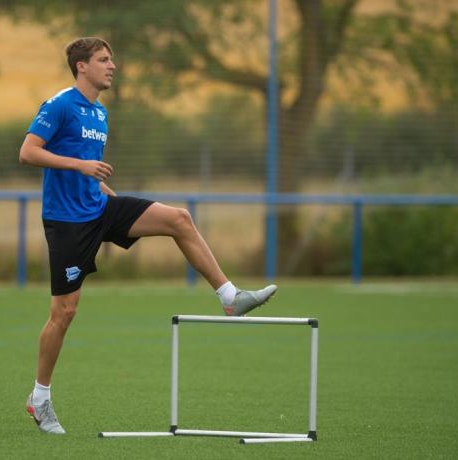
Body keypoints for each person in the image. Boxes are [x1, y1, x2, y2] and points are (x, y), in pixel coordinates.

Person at [19, 37, 277, 434]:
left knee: (179, 219)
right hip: (67, 222)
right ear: (81, 66)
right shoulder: (60, 105)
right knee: (64, 313)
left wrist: (108, 196)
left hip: (99, 208)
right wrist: (81, 167)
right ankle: (39, 398)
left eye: (113, 59)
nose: (113, 66)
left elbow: (89, 170)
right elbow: (28, 152)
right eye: (104, 60)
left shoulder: (100, 113)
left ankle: (230, 297)